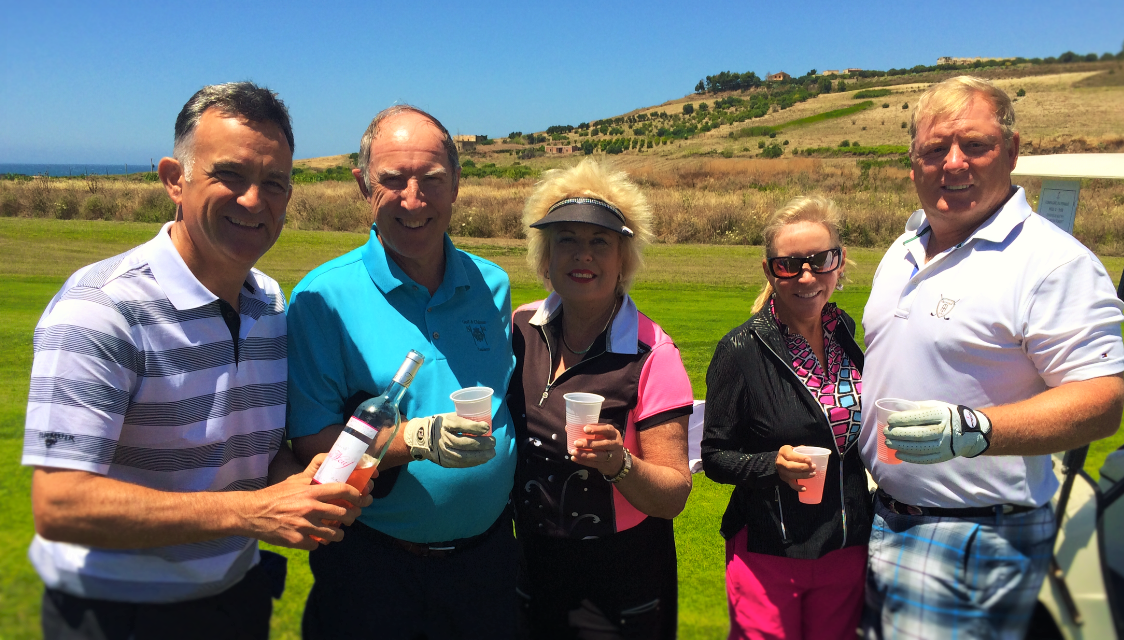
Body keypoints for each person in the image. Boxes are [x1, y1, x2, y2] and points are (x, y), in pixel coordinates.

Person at [22, 82, 372, 640]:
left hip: (237, 597)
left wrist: (301, 485)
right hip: (117, 614)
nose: (254, 200)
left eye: (274, 183)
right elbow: (62, 504)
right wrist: (253, 513)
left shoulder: (269, 302)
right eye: (229, 175)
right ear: (174, 179)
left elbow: (248, 452)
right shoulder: (102, 309)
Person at [859, 76, 1124, 639]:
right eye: (935, 149)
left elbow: (1101, 402)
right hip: (879, 515)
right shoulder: (906, 245)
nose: (953, 163)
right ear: (914, 163)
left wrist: (975, 429)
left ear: (1011, 151)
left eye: (974, 145)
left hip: (973, 539)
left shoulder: (1051, 263)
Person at [286, 105, 515, 639]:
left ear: (456, 184)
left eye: (432, 180)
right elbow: (310, 445)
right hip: (375, 569)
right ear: (363, 184)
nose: (414, 199)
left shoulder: (493, 285)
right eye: (393, 180)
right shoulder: (323, 298)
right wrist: (416, 439)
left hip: (487, 565)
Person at [508, 159, 694, 639]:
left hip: (622, 578)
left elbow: (673, 493)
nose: (581, 255)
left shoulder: (653, 352)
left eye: (599, 242)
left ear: (623, 258)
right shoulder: (517, 331)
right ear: (545, 256)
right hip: (533, 565)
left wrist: (620, 465)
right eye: (566, 239)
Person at [701, 195, 871, 640]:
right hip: (769, 552)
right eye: (789, 265)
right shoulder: (740, 350)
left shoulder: (847, 334)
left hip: (845, 545)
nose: (807, 276)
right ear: (769, 271)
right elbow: (715, 456)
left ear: (840, 262)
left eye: (820, 260)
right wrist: (769, 465)